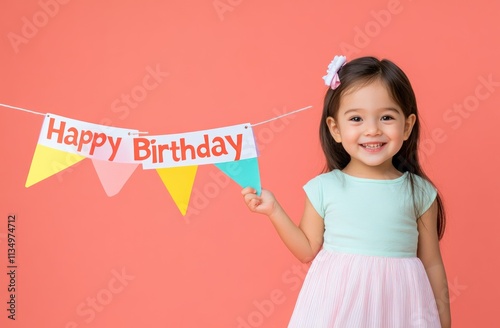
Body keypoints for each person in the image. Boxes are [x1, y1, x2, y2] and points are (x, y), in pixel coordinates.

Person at [241, 55, 451, 327]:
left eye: (386, 117)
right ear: (335, 128)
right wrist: (273, 211)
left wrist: (443, 319)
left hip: (401, 310)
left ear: (407, 126)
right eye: (356, 119)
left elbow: (432, 264)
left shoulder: (419, 193)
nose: (372, 129)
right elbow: (306, 249)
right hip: (338, 310)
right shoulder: (325, 188)